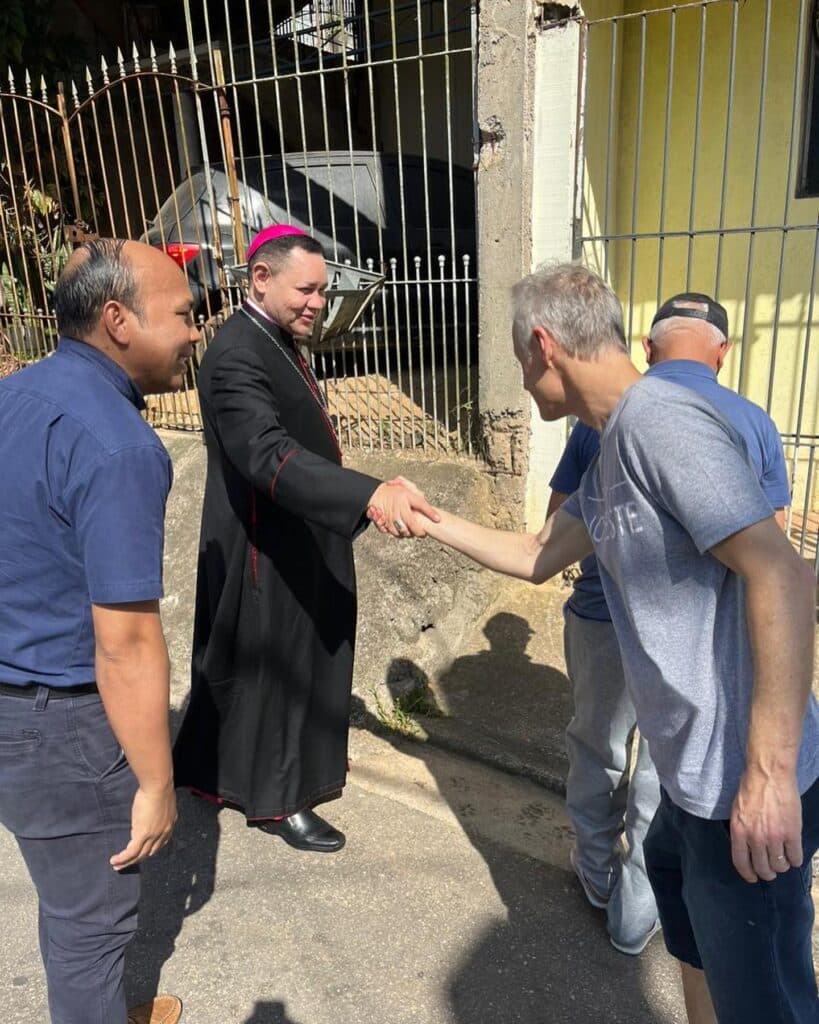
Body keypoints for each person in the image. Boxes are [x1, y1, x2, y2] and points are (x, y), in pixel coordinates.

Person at [378, 264, 819, 1023]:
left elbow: (781, 577)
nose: (521, 382)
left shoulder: (661, 424)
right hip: (690, 788)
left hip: (738, 790)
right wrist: (426, 517)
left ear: (543, 345)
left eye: (519, 361)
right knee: (693, 954)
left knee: (767, 1002)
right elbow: (537, 553)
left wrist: (769, 777)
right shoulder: (612, 444)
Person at [172, 224, 438, 854]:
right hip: (265, 542)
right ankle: (279, 800)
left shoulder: (274, 336)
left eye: (323, 290)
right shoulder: (236, 352)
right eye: (307, 290)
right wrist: (366, 494)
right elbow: (267, 455)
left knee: (262, 662)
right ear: (261, 278)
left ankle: (218, 771)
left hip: (296, 526)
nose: (318, 303)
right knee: (279, 669)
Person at [548, 292, 791, 956]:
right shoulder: (752, 421)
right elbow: (770, 548)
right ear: (722, 351)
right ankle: (633, 912)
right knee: (663, 768)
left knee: (594, 749)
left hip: (599, 613)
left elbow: (556, 523)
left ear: (648, 348)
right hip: (689, 636)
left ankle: (595, 876)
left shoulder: (604, 420)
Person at [0, 239, 197, 1024]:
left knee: (66, 902)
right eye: (182, 315)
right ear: (118, 319)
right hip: (61, 725)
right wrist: (155, 783)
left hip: (17, 707)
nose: (192, 332)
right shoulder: (118, 446)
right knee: (91, 928)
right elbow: (125, 642)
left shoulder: (14, 396)